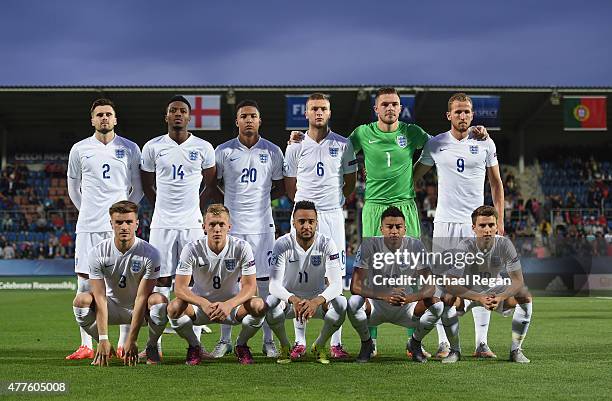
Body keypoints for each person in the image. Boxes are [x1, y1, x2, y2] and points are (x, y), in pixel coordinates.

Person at [413, 93, 504, 359]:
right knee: (443, 285)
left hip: (476, 224)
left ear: (472, 115)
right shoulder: (435, 144)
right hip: (445, 222)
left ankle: (481, 344)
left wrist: (498, 222)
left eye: (467, 112)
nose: (462, 116)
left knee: (481, 280)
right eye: (458, 112)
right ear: (448, 115)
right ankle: (443, 343)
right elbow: (414, 176)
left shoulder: (485, 142)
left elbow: (496, 184)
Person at [66, 98, 143, 360]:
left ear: (115, 119)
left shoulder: (130, 148)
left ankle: (122, 343)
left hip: (119, 228)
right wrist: (89, 210)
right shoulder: (79, 149)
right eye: (99, 115)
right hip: (89, 226)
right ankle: (86, 344)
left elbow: (137, 188)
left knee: (124, 284)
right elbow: (73, 188)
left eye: (109, 114)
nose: (104, 118)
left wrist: (122, 216)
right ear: (92, 120)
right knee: (84, 283)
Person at [284, 93, 357, 359]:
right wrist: (302, 206)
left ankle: (335, 343)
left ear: (329, 112)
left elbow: (350, 182)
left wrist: (334, 201)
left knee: (334, 276)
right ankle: (300, 341)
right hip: (303, 215)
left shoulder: (343, 143)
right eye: (313, 108)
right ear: (306, 113)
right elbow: (289, 182)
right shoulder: (295, 145)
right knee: (298, 276)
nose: (318, 112)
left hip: (332, 215)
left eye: (323, 108)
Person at [140, 95, 216, 350]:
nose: (178, 114)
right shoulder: (152, 147)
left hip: (192, 223)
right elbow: (146, 183)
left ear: (189, 116)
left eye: (182, 111)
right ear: (167, 116)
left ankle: (194, 343)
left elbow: (210, 182)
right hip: (162, 223)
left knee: (193, 280)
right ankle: (156, 342)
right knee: (160, 281)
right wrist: (160, 206)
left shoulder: (204, 147)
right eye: (173, 110)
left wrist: (196, 205)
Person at [211, 100, 285, 358]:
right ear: (237, 121)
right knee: (229, 283)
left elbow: (279, 186)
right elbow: (215, 183)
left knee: (264, 283)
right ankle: (224, 340)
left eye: (253, 115)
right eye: (244, 116)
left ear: (259, 120)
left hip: (263, 227)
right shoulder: (223, 151)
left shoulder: (273, 151)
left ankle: (267, 340)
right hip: (233, 228)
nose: (249, 120)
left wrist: (260, 200)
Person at [167, 204, 266, 365]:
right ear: (204, 227)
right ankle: (195, 346)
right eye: (212, 224)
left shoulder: (242, 247)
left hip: (231, 309)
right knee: (174, 308)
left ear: (229, 227)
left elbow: (249, 286)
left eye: (221, 224)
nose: (217, 229)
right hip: (201, 308)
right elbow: (180, 288)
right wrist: (204, 303)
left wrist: (229, 304)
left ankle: (241, 345)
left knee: (258, 305)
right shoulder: (192, 249)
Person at [72, 201, 167, 366]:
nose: (124, 227)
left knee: (160, 302)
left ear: (137, 224)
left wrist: (132, 339)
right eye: (119, 222)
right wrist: (103, 338)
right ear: (111, 224)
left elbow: (142, 297)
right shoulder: (98, 252)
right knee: (81, 301)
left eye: (129, 222)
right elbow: (100, 296)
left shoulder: (151, 254)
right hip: (111, 308)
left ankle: (151, 345)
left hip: (140, 308)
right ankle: (105, 347)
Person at [347, 206, 441, 363]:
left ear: (405, 229)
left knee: (437, 305)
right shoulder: (369, 246)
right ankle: (366, 343)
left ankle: (415, 343)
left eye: (398, 227)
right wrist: (385, 296)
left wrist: (409, 298)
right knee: (353, 302)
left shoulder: (416, 246)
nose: (394, 231)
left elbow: (430, 287)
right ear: (381, 229)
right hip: (376, 307)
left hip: (407, 308)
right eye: (389, 227)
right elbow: (355, 287)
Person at [442, 205, 532, 363]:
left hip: (494, 292)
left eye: (491, 225)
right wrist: (479, 297)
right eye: (482, 225)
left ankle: (515, 350)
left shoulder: (505, 245)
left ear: (497, 227)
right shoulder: (464, 247)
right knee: (447, 297)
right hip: (470, 292)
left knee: (524, 296)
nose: (487, 229)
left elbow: (518, 281)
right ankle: (454, 350)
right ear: (474, 228)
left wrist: (501, 296)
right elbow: (450, 283)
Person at [264, 201, 347, 364]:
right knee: (270, 302)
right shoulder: (282, 244)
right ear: (293, 223)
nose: (306, 226)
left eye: (311, 221)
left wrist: (316, 301)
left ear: (317, 223)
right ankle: (285, 345)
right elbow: (273, 285)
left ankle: (320, 345)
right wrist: (293, 300)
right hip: (290, 303)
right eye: (301, 221)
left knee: (342, 303)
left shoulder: (327, 244)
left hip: (317, 302)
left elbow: (337, 284)